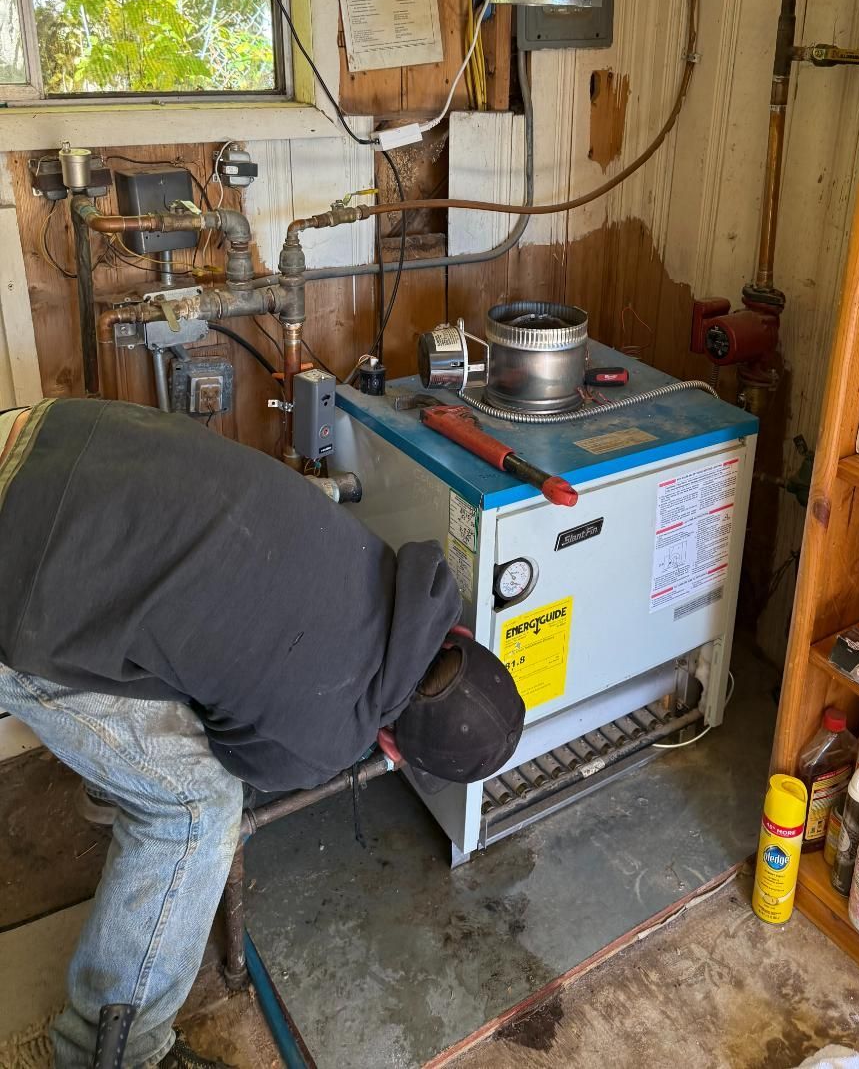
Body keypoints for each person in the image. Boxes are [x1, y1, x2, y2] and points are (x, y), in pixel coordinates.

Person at [0, 397, 524, 1069]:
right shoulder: (326, 737)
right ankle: (113, 1053)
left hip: (46, 433)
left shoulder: (374, 556)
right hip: (22, 573)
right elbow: (237, 755)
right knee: (193, 808)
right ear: (394, 745)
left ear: (455, 633)